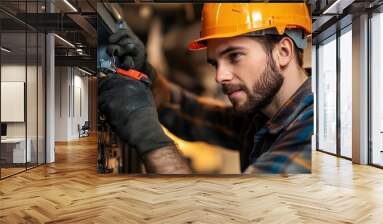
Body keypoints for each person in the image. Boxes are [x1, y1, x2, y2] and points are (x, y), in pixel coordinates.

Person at [98, 3, 313, 174]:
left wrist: (151, 141)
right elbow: (194, 115)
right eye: (215, 63)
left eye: (234, 56)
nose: (220, 77)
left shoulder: (309, 136)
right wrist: (147, 74)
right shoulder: (261, 116)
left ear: (283, 52)